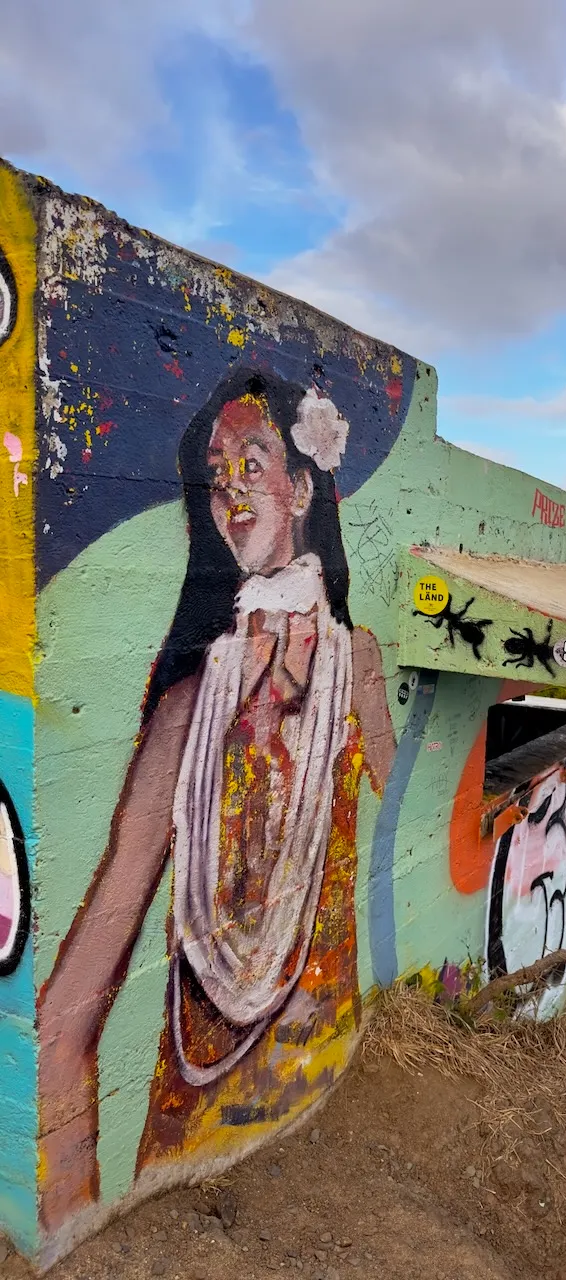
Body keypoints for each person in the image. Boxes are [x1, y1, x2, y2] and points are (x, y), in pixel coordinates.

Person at [38, 367, 395, 1235]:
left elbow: (403, 815)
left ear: (304, 487)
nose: (230, 484)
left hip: (327, 1071)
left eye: (253, 456)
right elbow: (67, 1014)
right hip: (188, 1118)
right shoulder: (188, 712)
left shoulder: (362, 670)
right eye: (216, 467)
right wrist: (71, 1207)